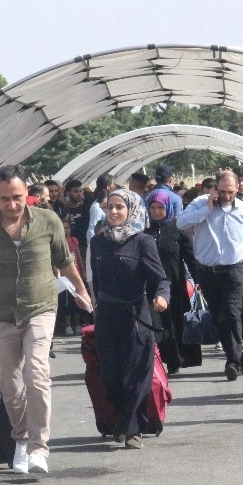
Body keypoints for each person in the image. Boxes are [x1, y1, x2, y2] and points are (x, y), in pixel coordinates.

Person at [0, 165, 92, 474]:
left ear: (28, 194)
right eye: (5, 199)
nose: (12, 205)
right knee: (9, 383)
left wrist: (81, 290)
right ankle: (21, 441)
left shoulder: (48, 221)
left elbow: (65, 261)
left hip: (40, 308)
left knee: (36, 374)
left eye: (18, 197)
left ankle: (39, 447)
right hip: (1, 315)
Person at [91, 189, 170, 448]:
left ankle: (131, 428)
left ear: (131, 210)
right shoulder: (98, 242)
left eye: (119, 207)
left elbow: (160, 278)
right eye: (109, 207)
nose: (113, 212)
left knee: (134, 376)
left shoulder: (143, 241)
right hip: (107, 317)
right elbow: (98, 280)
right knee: (111, 377)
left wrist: (161, 297)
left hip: (136, 317)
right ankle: (125, 420)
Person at [177, 170, 243, 381]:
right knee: (218, 316)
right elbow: (181, 223)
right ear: (214, 189)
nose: (226, 196)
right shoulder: (201, 203)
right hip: (207, 271)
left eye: (231, 192)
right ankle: (235, 354)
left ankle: (234, 361)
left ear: (238, 189)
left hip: (233, 269)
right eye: (222, 192)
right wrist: (207, 209)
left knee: (231, 312)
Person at [146, 192, 201, 375]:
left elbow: (190, 258)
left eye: (160, 207)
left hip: (175, 284)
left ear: (167, 208)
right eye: (153, 208)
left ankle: (176, 360)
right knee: (157, 323)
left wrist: (199, 280)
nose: (156, 211)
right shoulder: (145, 231)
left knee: (176, 322)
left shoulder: (178, 229)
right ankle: (161, 359)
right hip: (151, 286)